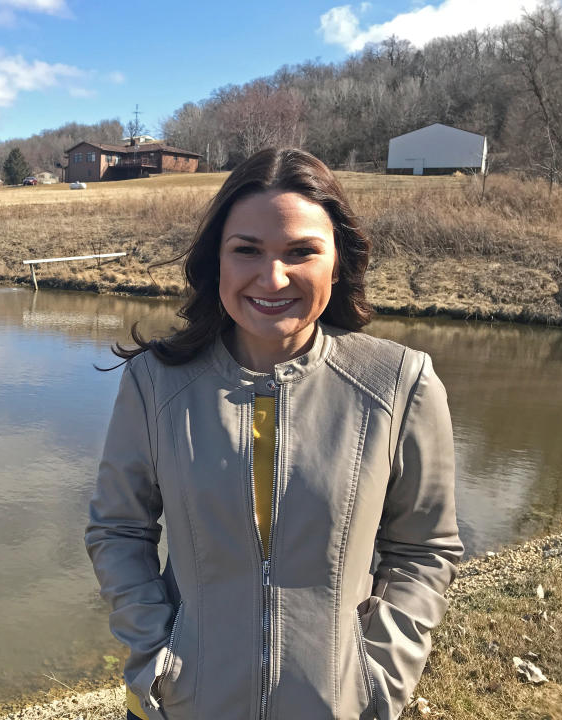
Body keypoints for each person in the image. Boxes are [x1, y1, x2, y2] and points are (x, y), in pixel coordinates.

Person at [84, 147, 463, 720]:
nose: (273, 277)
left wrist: (379, 678)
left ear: (338, 261)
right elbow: (118, 531)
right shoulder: (154, 384)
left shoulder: (401, 384)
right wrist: (156, 659)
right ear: (218, 261)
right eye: (248, 251)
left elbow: (421, 550)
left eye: (301, 252)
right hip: (185, 705)